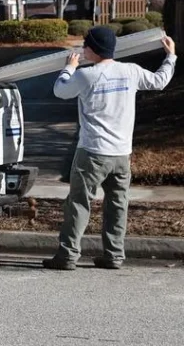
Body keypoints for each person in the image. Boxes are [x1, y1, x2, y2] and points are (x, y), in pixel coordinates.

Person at [43, 26, 177, 270]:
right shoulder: (131, 71)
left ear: (93, 49)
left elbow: (60, 90)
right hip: (121, 155)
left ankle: (67, 256)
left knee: (79, 203)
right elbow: (160, 81)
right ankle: (114, 255)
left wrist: (69, 67)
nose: (83, 50)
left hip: (92, 153)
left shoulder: (87, 75)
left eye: (85, 46)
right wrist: (171, 56)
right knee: (117, 204)